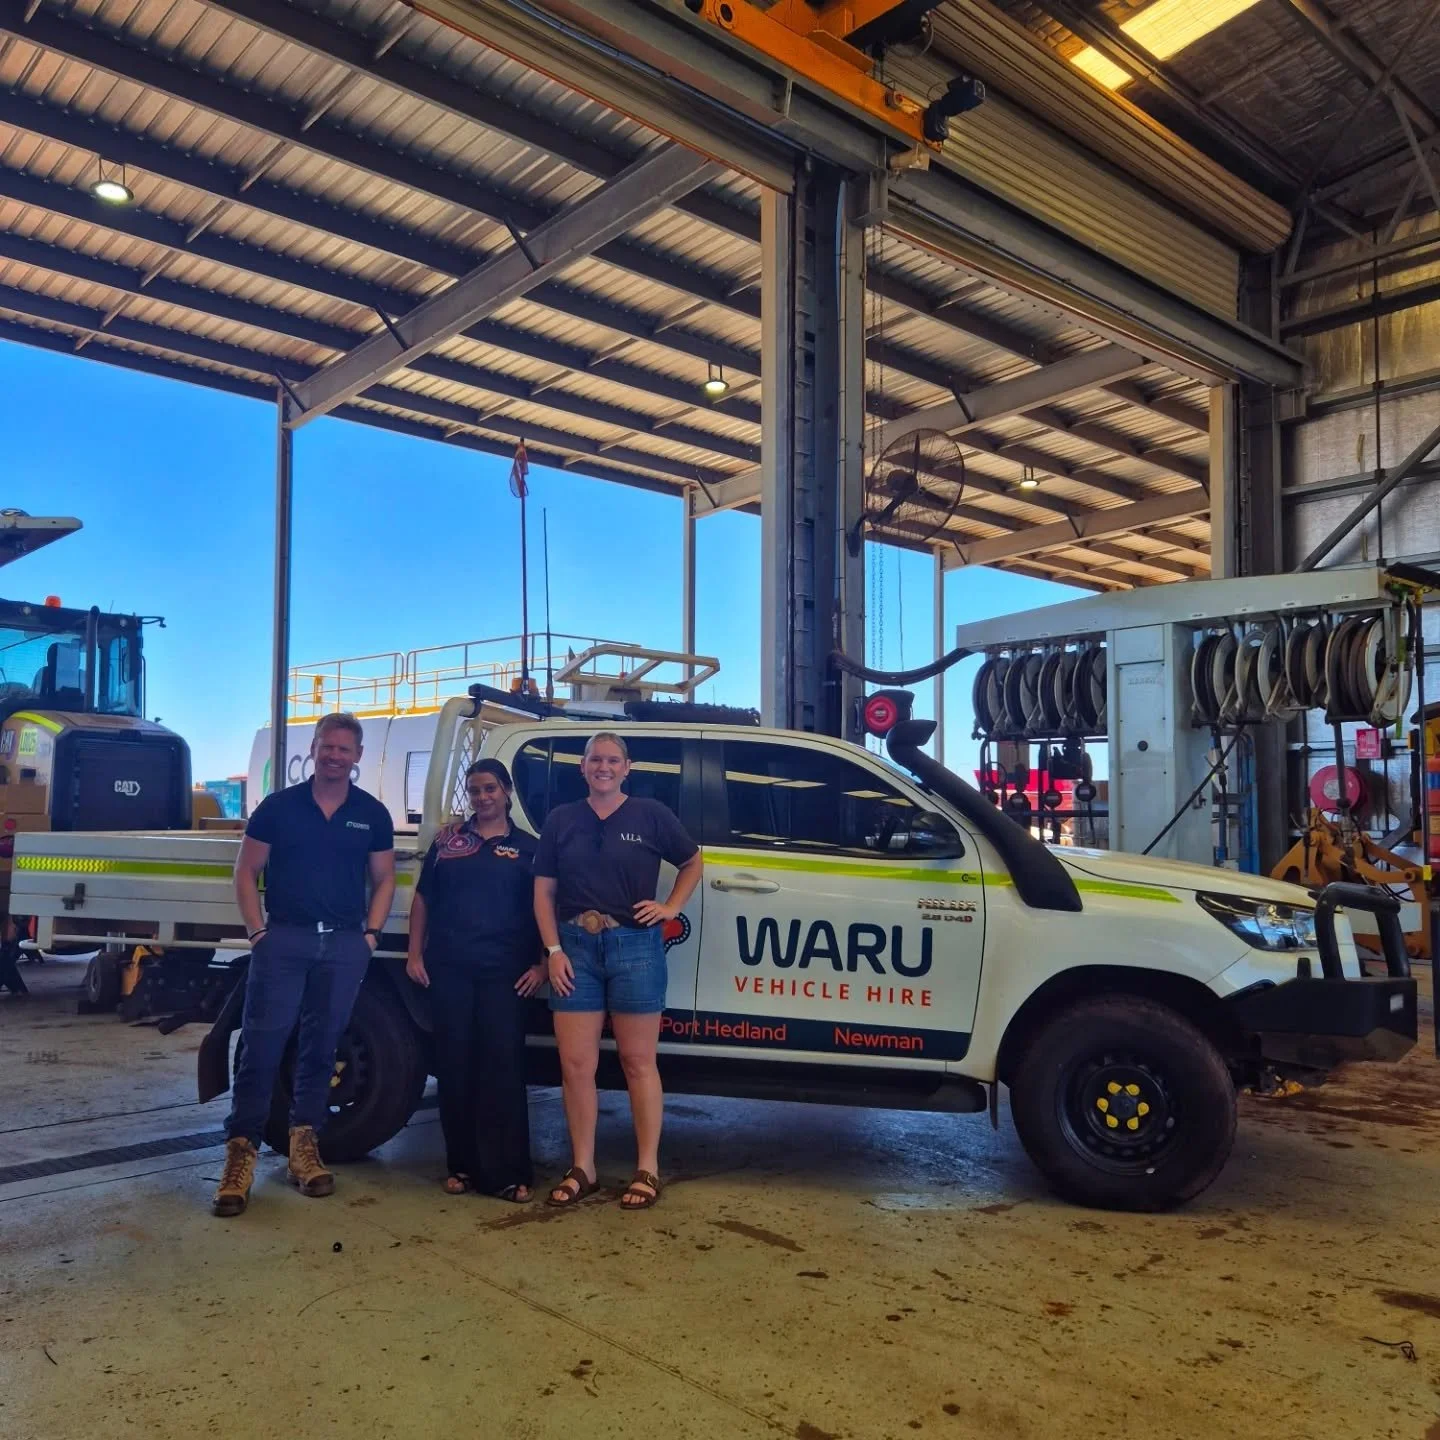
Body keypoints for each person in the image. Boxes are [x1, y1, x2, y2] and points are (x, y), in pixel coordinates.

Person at [213, 713, 395, 1218]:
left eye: (345, 749)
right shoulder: (278, 808)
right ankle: (240, 1156)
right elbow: (246, 871)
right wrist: (258, 934)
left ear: (358, 756)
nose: (335, 755)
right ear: (314, 749)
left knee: (322, 1047)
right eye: (327, 746)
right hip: (285, 940)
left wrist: (369, 936)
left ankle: (303, 1150)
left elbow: (384, 879)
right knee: (262, 1046)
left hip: (342, 945)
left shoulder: (371, 814)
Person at [534, 731, 703, 1211]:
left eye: (612, 760)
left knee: (637, 1062)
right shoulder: (561, 820)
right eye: (594, 760)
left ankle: (647, 1167)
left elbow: (692, 861)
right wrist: (552, 950)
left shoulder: (650, 815)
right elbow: (543, 892)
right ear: (582, 768)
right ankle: (582, 1166)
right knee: (576, 1066)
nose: (603, 767)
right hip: (574, 951)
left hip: (635, 945)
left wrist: (670, 906)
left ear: (627, 768)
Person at [405, 760, 546, 1201]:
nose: (482, 797)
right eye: (475, 790)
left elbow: (547, 909)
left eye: (490, 789)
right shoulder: (449, 842)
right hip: (449, 969)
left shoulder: (529, 848)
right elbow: (424, 898)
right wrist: (414, 953)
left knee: (502, 1069)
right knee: (455, 1067)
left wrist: (543, 964)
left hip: (505, 975)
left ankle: (509, 1174)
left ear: (506, 792)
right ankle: (461, 1166)